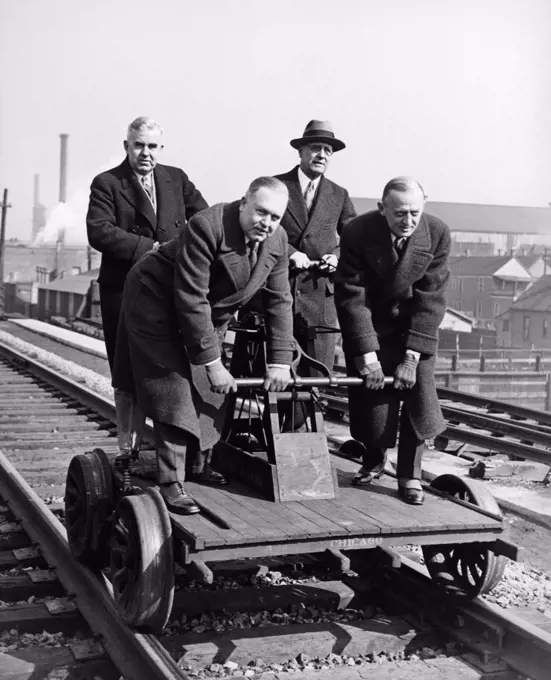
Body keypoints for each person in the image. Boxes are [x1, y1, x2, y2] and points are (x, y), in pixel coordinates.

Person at [112, 177, 295, 514]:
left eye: (275, 217)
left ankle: (199, 463)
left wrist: (280, 362)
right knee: (173, 387)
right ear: (243, 203)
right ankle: (170, 480)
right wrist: (212, 361)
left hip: (206, 311)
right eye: (261, 212)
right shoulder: (207, 226)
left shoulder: (278, 241)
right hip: (156, 302)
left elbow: (279, 302)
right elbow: (191, 298)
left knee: (212, 390)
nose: (267, 223)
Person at [86, 116, 208, 451]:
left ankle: (176, 448)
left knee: (171, 372)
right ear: (126, 146)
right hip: (124, 292)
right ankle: (129, 450)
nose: (145, 153)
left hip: (170, 292)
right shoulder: (107, 183)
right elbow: (98, 231)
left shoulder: (177, 179)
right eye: (138, 145)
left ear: (161, 148)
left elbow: (204, 219)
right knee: (126, 374)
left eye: (152, 146)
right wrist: (150, 249)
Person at [335, 177, 451, 505]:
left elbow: (431, 297)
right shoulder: (358, 231)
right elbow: (351, 296)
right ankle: (374, 458)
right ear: (381, 209)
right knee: (375, 405)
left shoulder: (437, 233)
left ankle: (409, 475)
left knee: (418, 400)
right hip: (373, 326)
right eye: (400, 213)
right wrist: (367, 356)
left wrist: (412, 358)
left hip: (416, 331)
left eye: (415, 213)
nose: (408, 221)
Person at [275, 120, 356, 428]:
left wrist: (336, 257)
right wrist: (290, 253)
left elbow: (353, 238)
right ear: (301, 151)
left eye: (327, 150)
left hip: (320, 297)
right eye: (315, 148)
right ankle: (283, 435)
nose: (322, 155)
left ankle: (308, 439)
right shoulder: (276, 186)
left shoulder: (339, 194)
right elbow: (261, 229)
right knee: (281, 366)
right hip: (281, 288)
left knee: (318, 373)